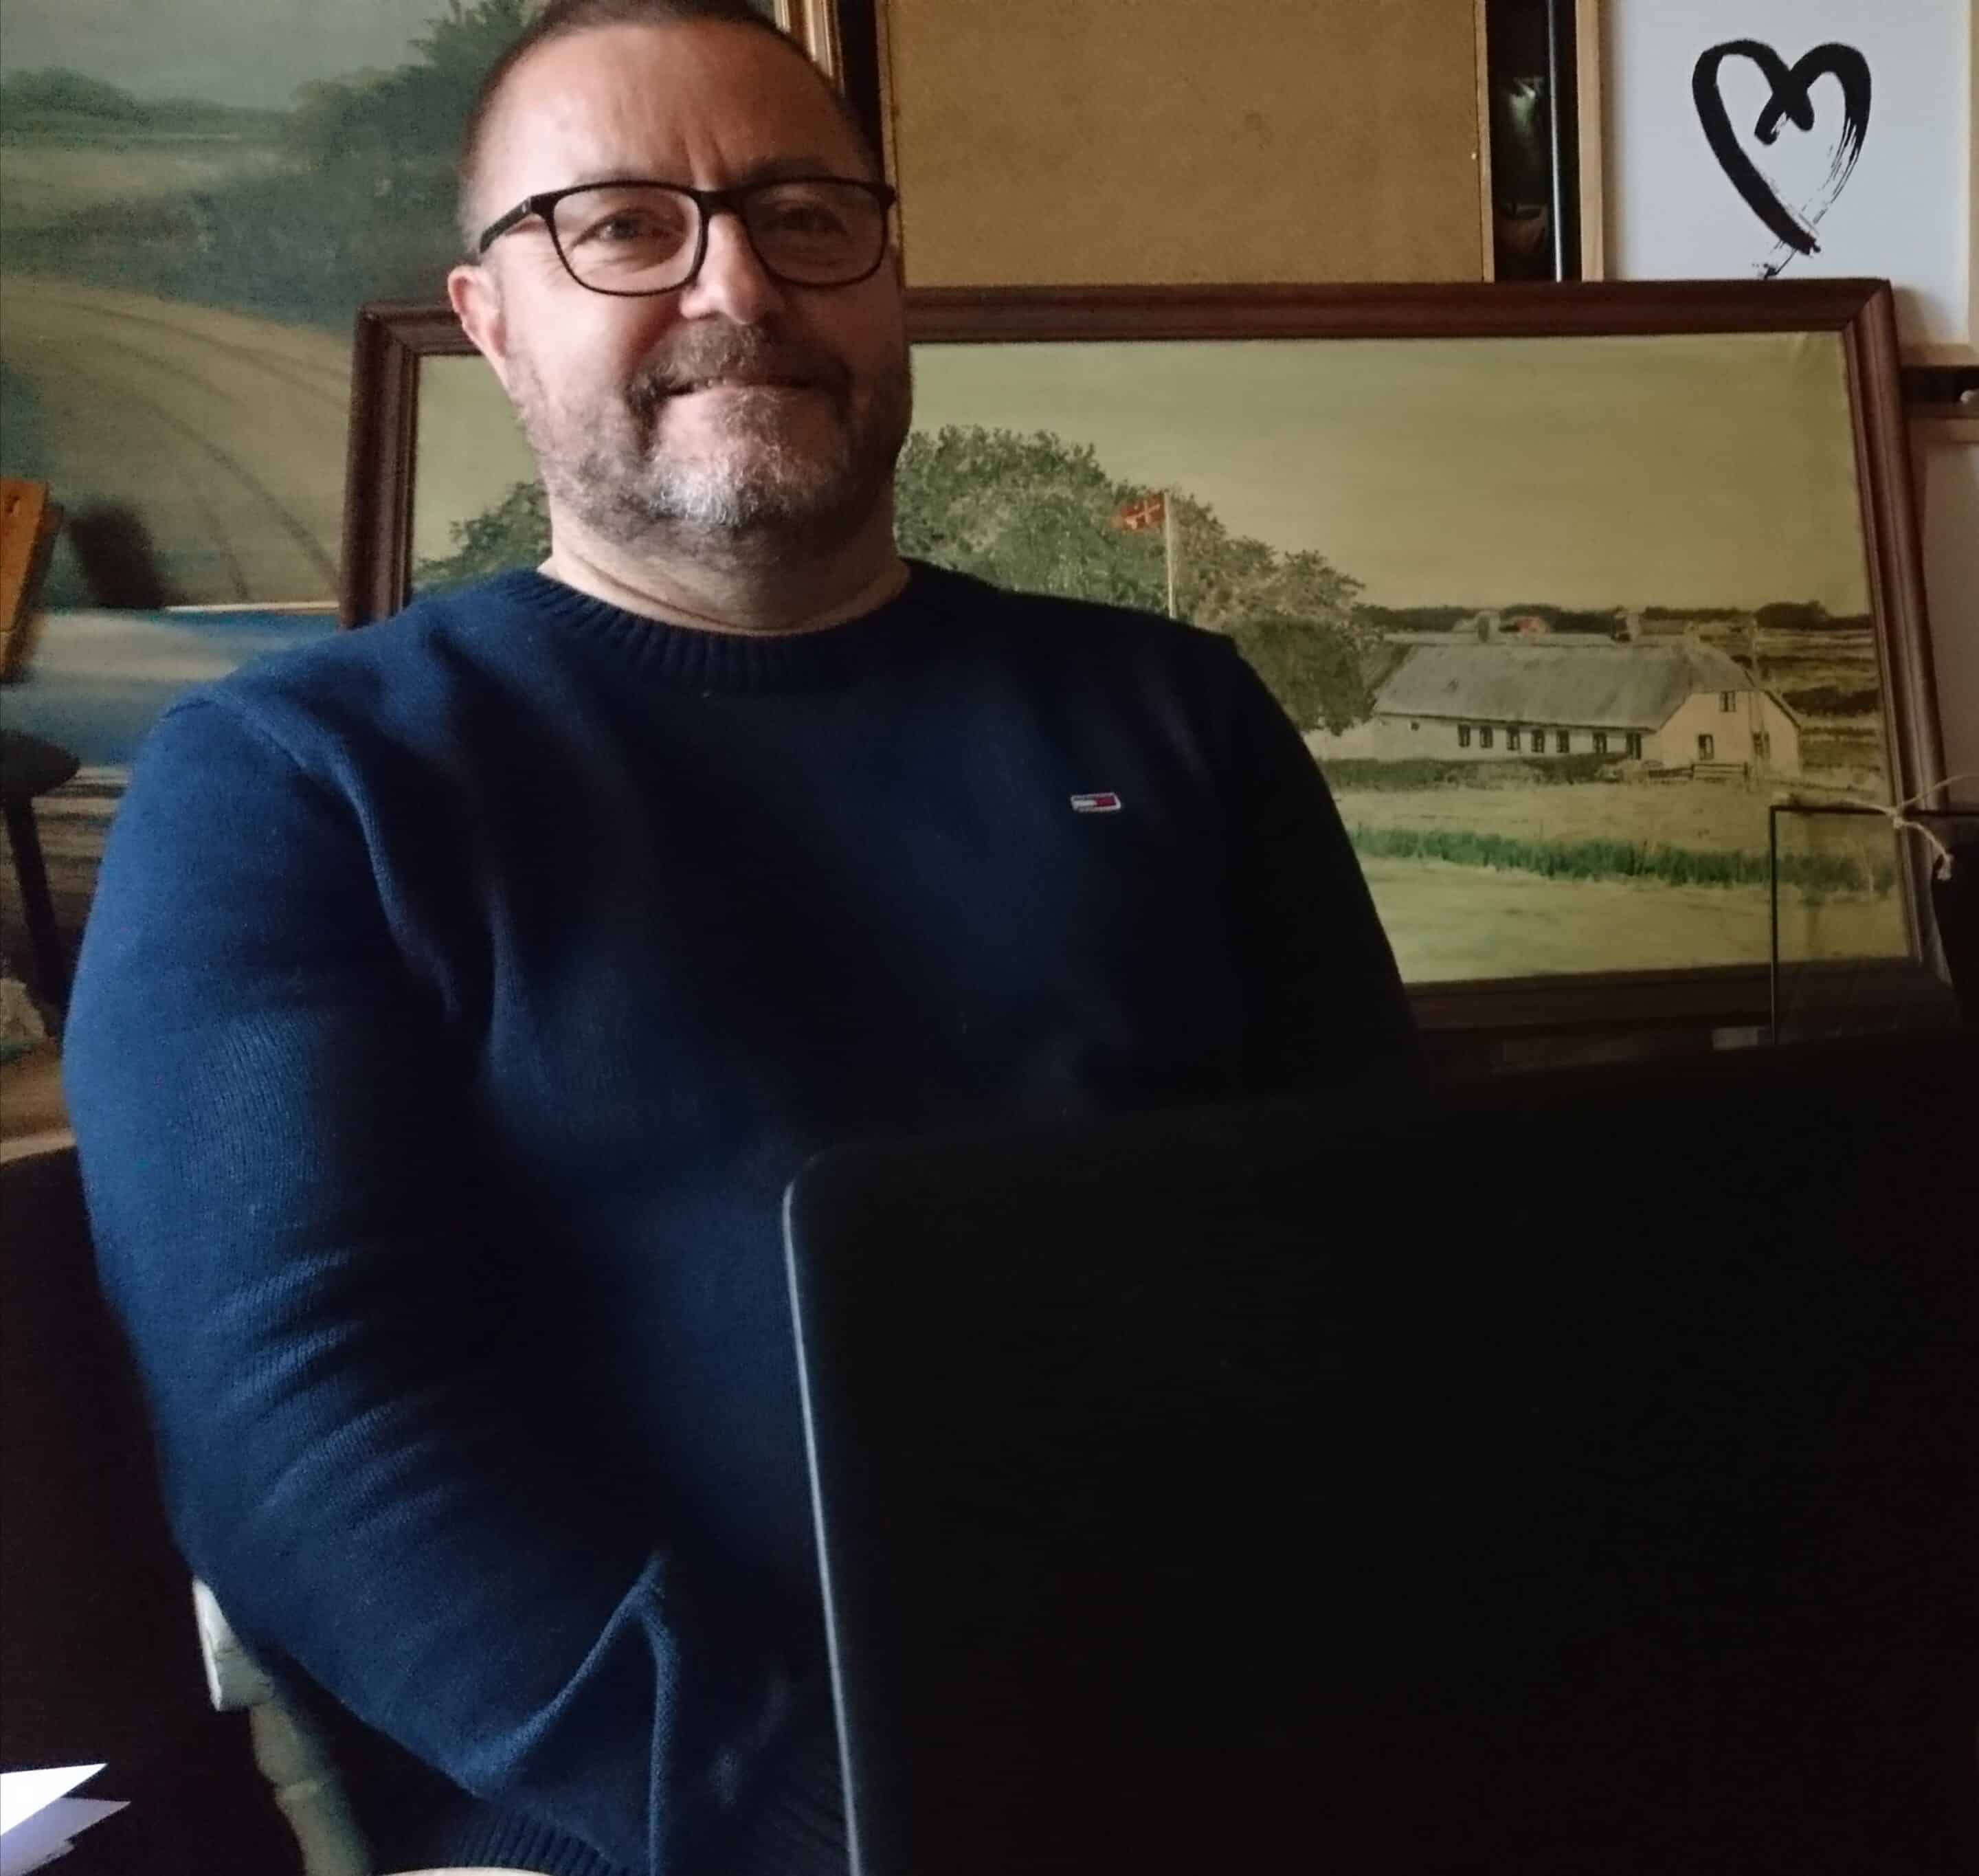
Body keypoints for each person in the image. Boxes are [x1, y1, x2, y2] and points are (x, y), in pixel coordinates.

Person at [61, 3, 1418, 1873]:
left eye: (806, 216)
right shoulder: (297, 784)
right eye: (624, 225)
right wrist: (820, 1818)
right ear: (490, 320)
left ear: (891, 279)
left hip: (1243, 1745)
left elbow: (1389, 1256)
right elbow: (297, 1437)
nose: (740, 285)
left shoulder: (1177, 712)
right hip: (641, 1823)